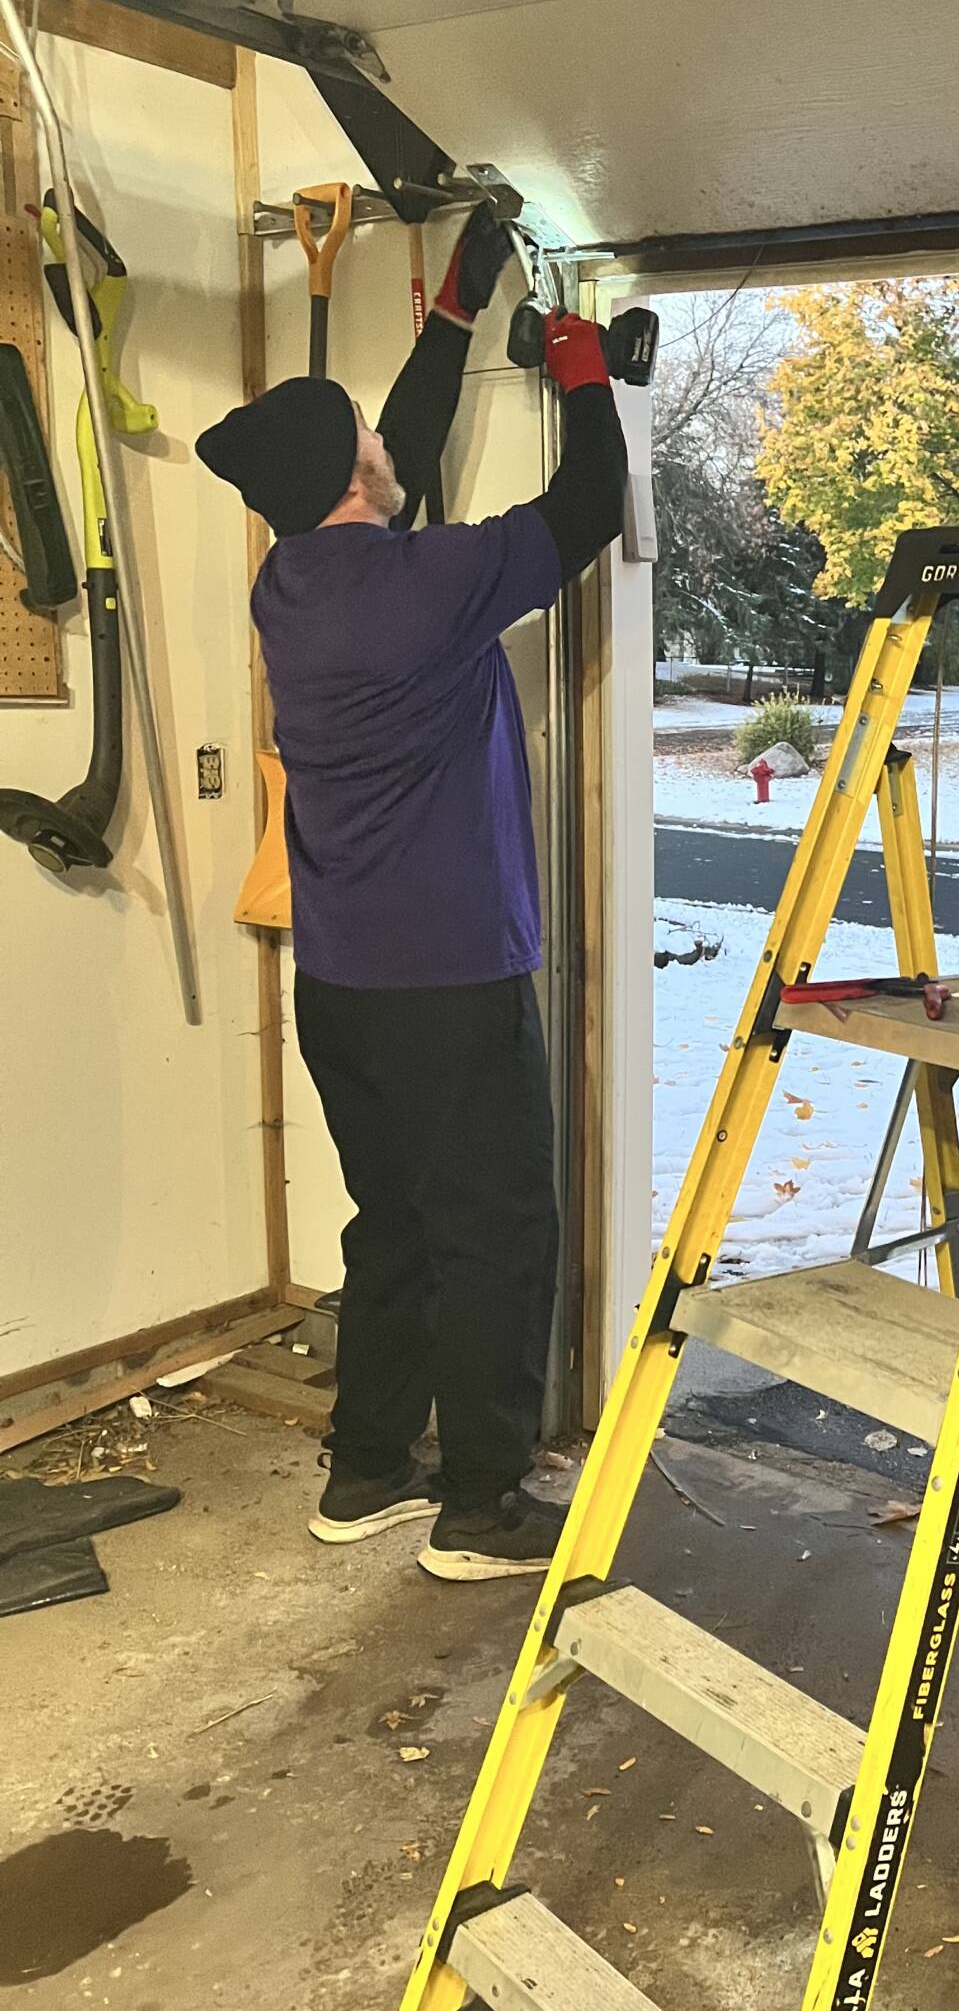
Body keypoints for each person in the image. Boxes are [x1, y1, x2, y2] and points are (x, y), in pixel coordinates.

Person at [196, 212, 627, 1579]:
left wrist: (450, 317)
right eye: (366, 444)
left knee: (393, 1224)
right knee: (499, 1225)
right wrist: (582, 376)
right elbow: (588, 511)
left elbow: (403, 451)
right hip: (449, 979)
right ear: (348, 476)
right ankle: (486, 1507)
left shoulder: (293, 584)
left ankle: (368, 1469)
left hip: (344, 987)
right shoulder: (423, 585)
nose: (389, 448)